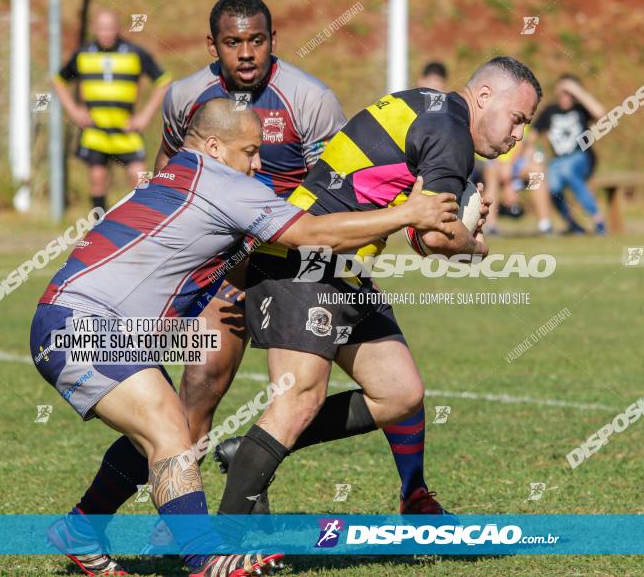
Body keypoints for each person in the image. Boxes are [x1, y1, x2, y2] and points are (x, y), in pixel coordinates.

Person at [32, 98, 457, 577]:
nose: (258, 163)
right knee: (171, 432)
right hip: (83, 324)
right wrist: (408, 213)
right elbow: (315, 233)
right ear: (214, 147)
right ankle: (206, 558)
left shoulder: (176, 174)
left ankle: (82, 529)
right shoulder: (222, 183)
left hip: (76, 318)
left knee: (147, 435)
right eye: (250, 151)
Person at [215, 56, 540, 521]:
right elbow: (433, 237)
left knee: (399, 392)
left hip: (340, 267)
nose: (518, 135)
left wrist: (449, 227)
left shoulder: (428, 107)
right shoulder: (451, 135)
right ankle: (221, 552)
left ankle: (254, 454)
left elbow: (411, 217)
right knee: (299, 399)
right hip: (306, 264)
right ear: (485, 96)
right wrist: (476, 246)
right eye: (517, 119)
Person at [53, 9, 171, 210]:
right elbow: (59, 81)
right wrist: (74, 111)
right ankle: (99, 230)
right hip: (96, 131)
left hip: (125, 131)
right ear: (94, 29)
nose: (105, 33)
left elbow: (164, 82)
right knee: (97, 178)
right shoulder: (83, 54)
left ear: (117, 29)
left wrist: (144, 117)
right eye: (101, 28)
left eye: (109, 28)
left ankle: (138, 226)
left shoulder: (134, 53)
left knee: (140, 176)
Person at [531, 74, 607, 235]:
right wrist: (532, 152)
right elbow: (532, 136)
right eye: (563, 91)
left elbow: (601, 113)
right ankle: (572, 224)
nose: (566, 96)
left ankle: (598, 219)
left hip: (582, 157)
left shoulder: (581, 109)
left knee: (567, 171)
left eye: (569, 93)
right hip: (558, 161)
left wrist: (577, 90)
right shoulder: (549, 111)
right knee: (552, 185)